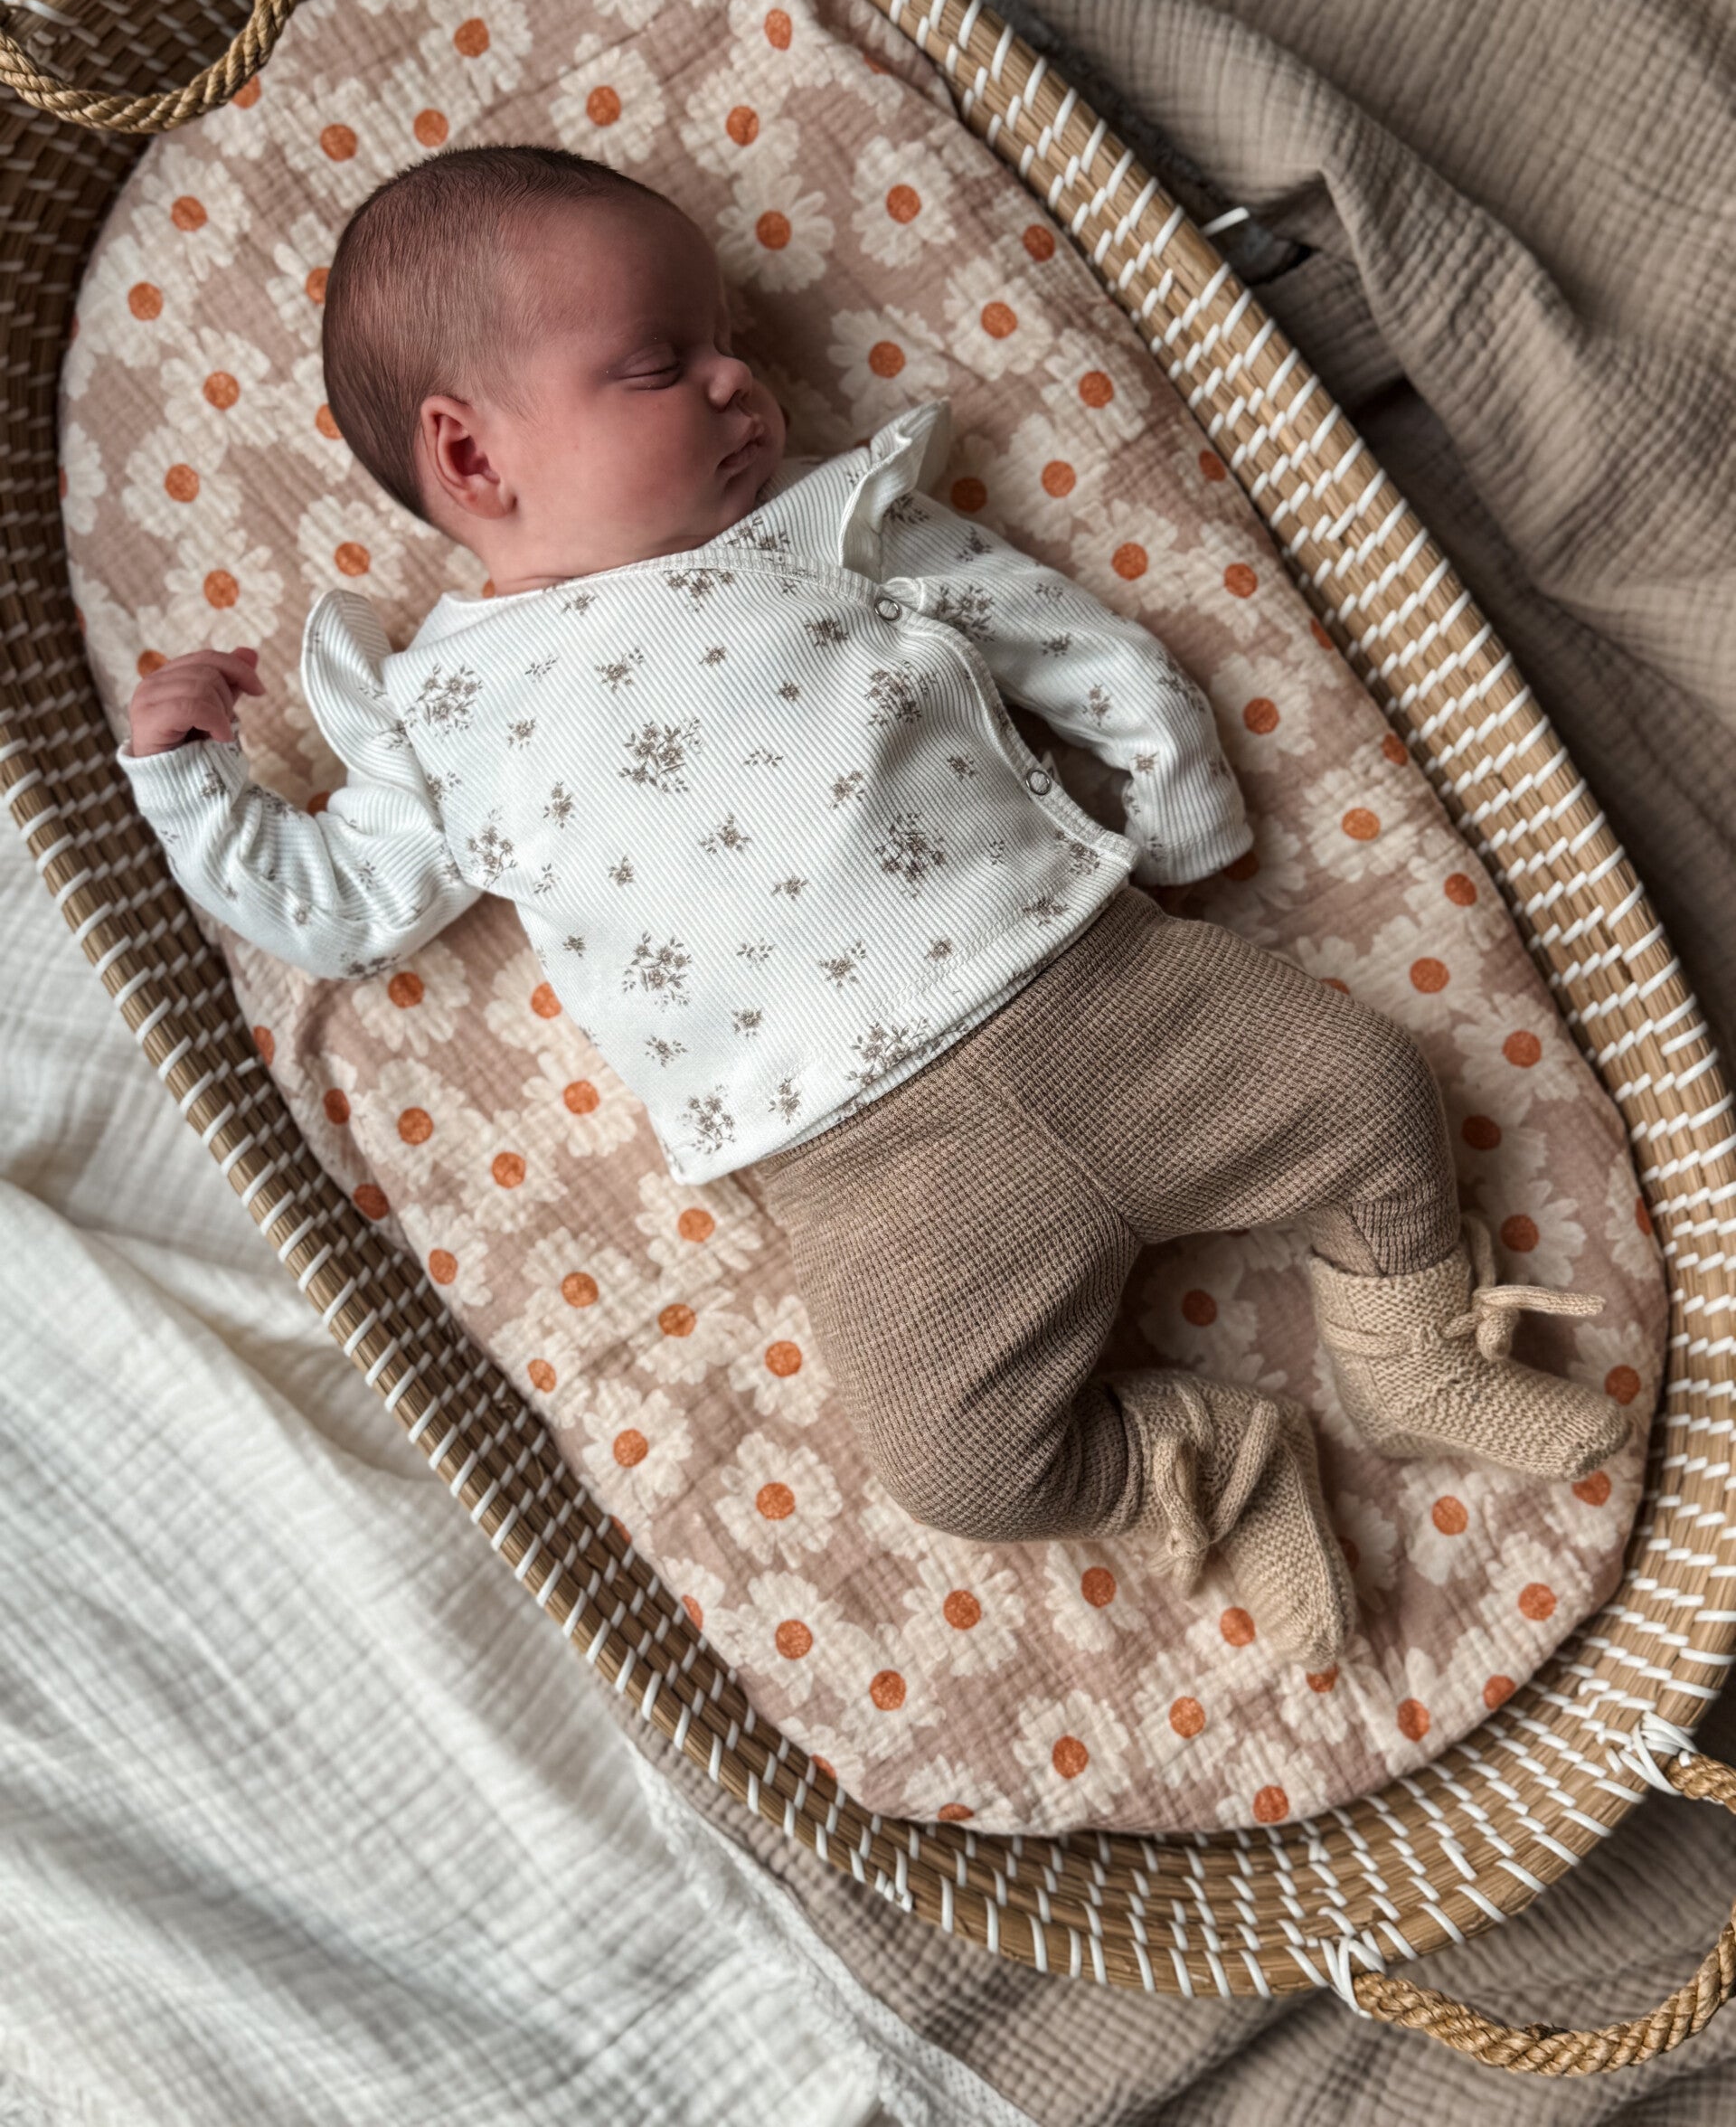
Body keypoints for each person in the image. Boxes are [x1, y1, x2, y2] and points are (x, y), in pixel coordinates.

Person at [119, 146, 1626, 1668]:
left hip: (1096, 987)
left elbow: (1076, 649)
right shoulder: (440, 717)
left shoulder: (826, 530)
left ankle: (1409, 1353)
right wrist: (193, 784)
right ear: (473, 460)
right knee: (957, 1470)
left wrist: (1178, 817)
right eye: (661, 364)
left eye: (735, 348)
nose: (733, 384)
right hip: (868, 1167)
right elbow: (342, 909)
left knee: (1372, 1092)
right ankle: (1210, 1462)